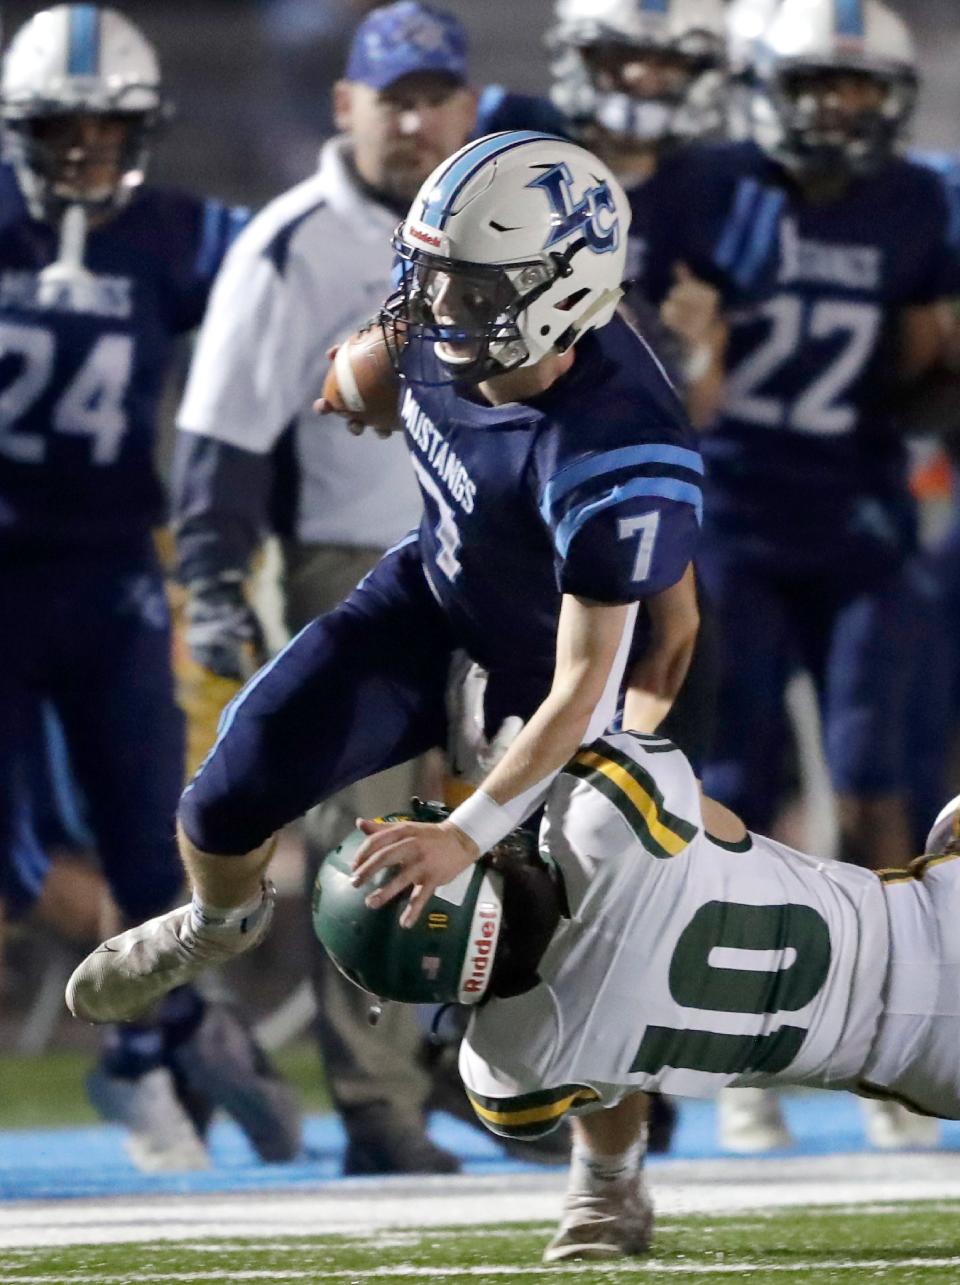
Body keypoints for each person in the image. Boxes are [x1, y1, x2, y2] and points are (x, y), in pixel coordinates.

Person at [65, 129, 705, 1166]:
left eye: (472, 291)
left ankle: (605, 1165)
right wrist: (373, 367)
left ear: (560, 292)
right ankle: (217, 925)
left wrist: (512, 809)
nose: (437, 310)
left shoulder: (617, 449)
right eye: (430, 278)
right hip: (431, 599)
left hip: (554, 683)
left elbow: (634, 657)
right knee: (228, 788)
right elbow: (401, 332)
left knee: (568, 948)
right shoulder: (438, 324)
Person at [638, 0, 960, 1150]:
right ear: (770, 85)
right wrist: (695, 349)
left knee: (880, 777)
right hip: (729, 515)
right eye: (823, 84)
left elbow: (928, 381)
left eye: (863, 88)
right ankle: (743, 1050)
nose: (844, 108)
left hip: (861, 516)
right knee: (734, 782)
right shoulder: (705, 181)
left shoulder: (919, 199)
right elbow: (650, 360)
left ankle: (894, 1043)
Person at [169, 1, 484, 1176]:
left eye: (435, 96)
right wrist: (211, 575)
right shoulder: (291, 243)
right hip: (360, 570)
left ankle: (485, 1061)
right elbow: (223, 442)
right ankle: (380, 1107)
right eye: (392, 98)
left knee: (541, 821)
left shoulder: (501, 210)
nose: (415, 121)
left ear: (469, 105)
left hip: (502, 564)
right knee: (377, 846)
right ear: (346, 105)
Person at [0, 4, 299, 1169]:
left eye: (104, 127)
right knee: (14, 859)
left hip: (114, 569)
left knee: (149, 842)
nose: (83, 152)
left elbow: (296, 263)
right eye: (60, 128)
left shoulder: (178, 233)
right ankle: (179, 1025)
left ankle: (145, 1055)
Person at [313, 728, 960, 1264]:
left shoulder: (509, 1068)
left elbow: (582, 1043)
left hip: (939, 1074)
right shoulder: (603, 822)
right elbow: (721, 825)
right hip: (941, 912)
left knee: (602, 1074)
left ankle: (604, 1190)